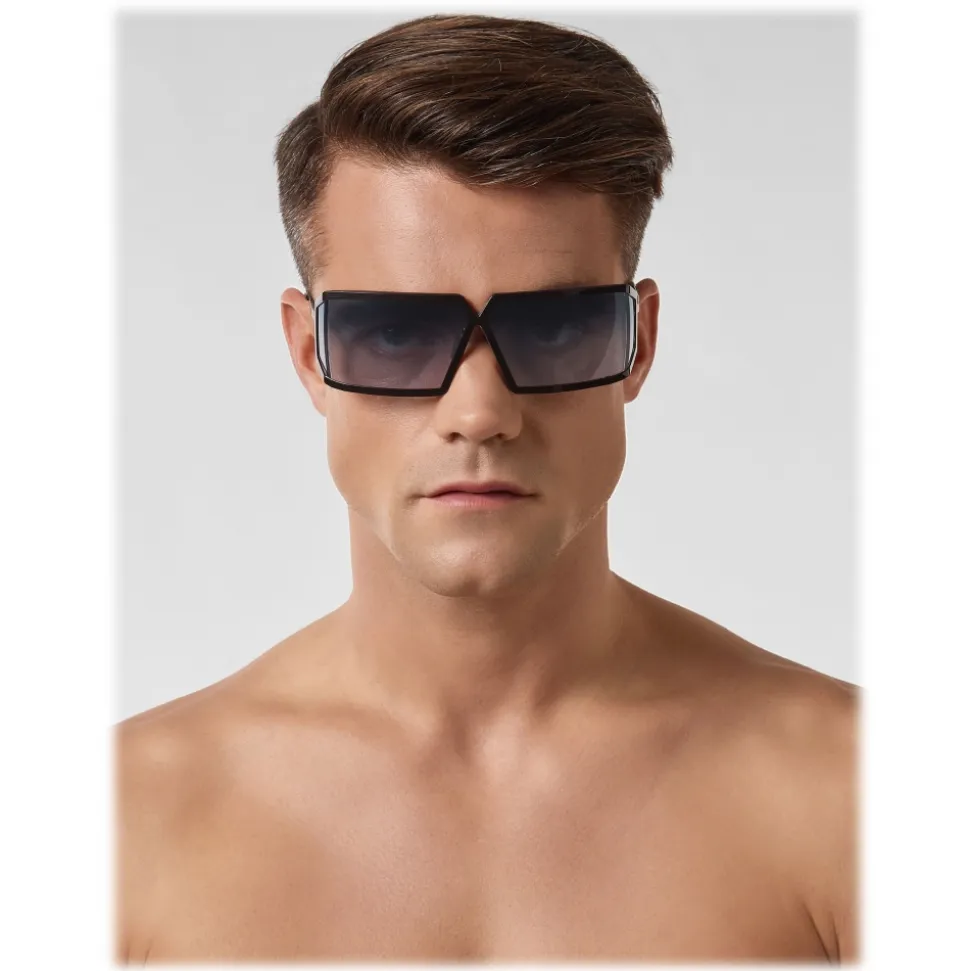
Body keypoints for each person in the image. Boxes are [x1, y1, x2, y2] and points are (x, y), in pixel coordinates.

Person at [116, 13, 858, 963]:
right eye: (396, 333)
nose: (479, 411)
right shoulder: (120, 826)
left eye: (555, 329)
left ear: (639, 343)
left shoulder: (857, 794)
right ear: (309, 353)